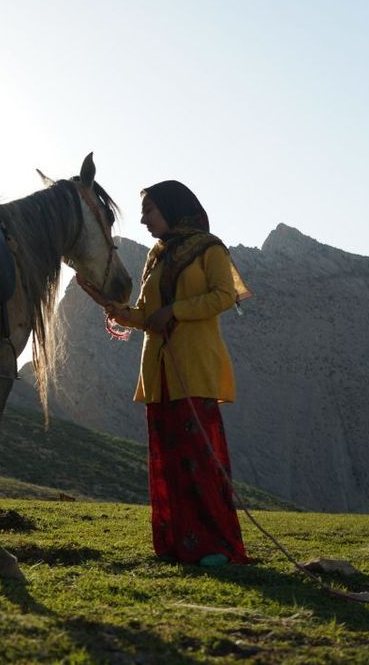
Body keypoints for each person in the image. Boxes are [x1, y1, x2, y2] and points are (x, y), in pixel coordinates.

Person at [89, 179, 250, 566]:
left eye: (149, 210)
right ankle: (177, 545)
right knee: (169, 462)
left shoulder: (210, 249)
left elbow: (224, 297)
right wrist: (115, 309)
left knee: (200, 460)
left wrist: (175, 311)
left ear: (171, 208)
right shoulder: (156, 257)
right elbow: (146, 315)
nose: (143, 220)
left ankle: (216, 547)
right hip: (160, 373)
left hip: (193, 368)